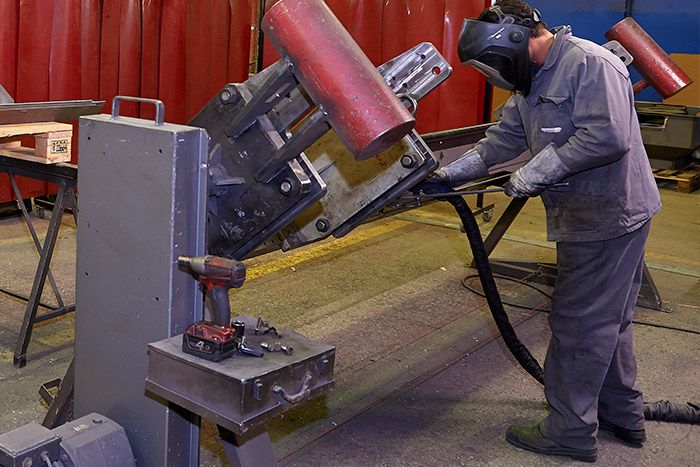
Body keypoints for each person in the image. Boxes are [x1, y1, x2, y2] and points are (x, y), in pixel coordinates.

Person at [429, 0, 661, 463]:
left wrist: (537, 173)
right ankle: (621, 415)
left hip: (608, 215)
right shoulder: (532, 78)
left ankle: (570, 432)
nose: (498, 75)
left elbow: (607, 136)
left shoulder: (590, 64)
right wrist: (450, 174)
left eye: (495, 64)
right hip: (585, 212)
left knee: (580, 324)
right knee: (607, 320)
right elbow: (504, 139)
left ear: (516, 42)